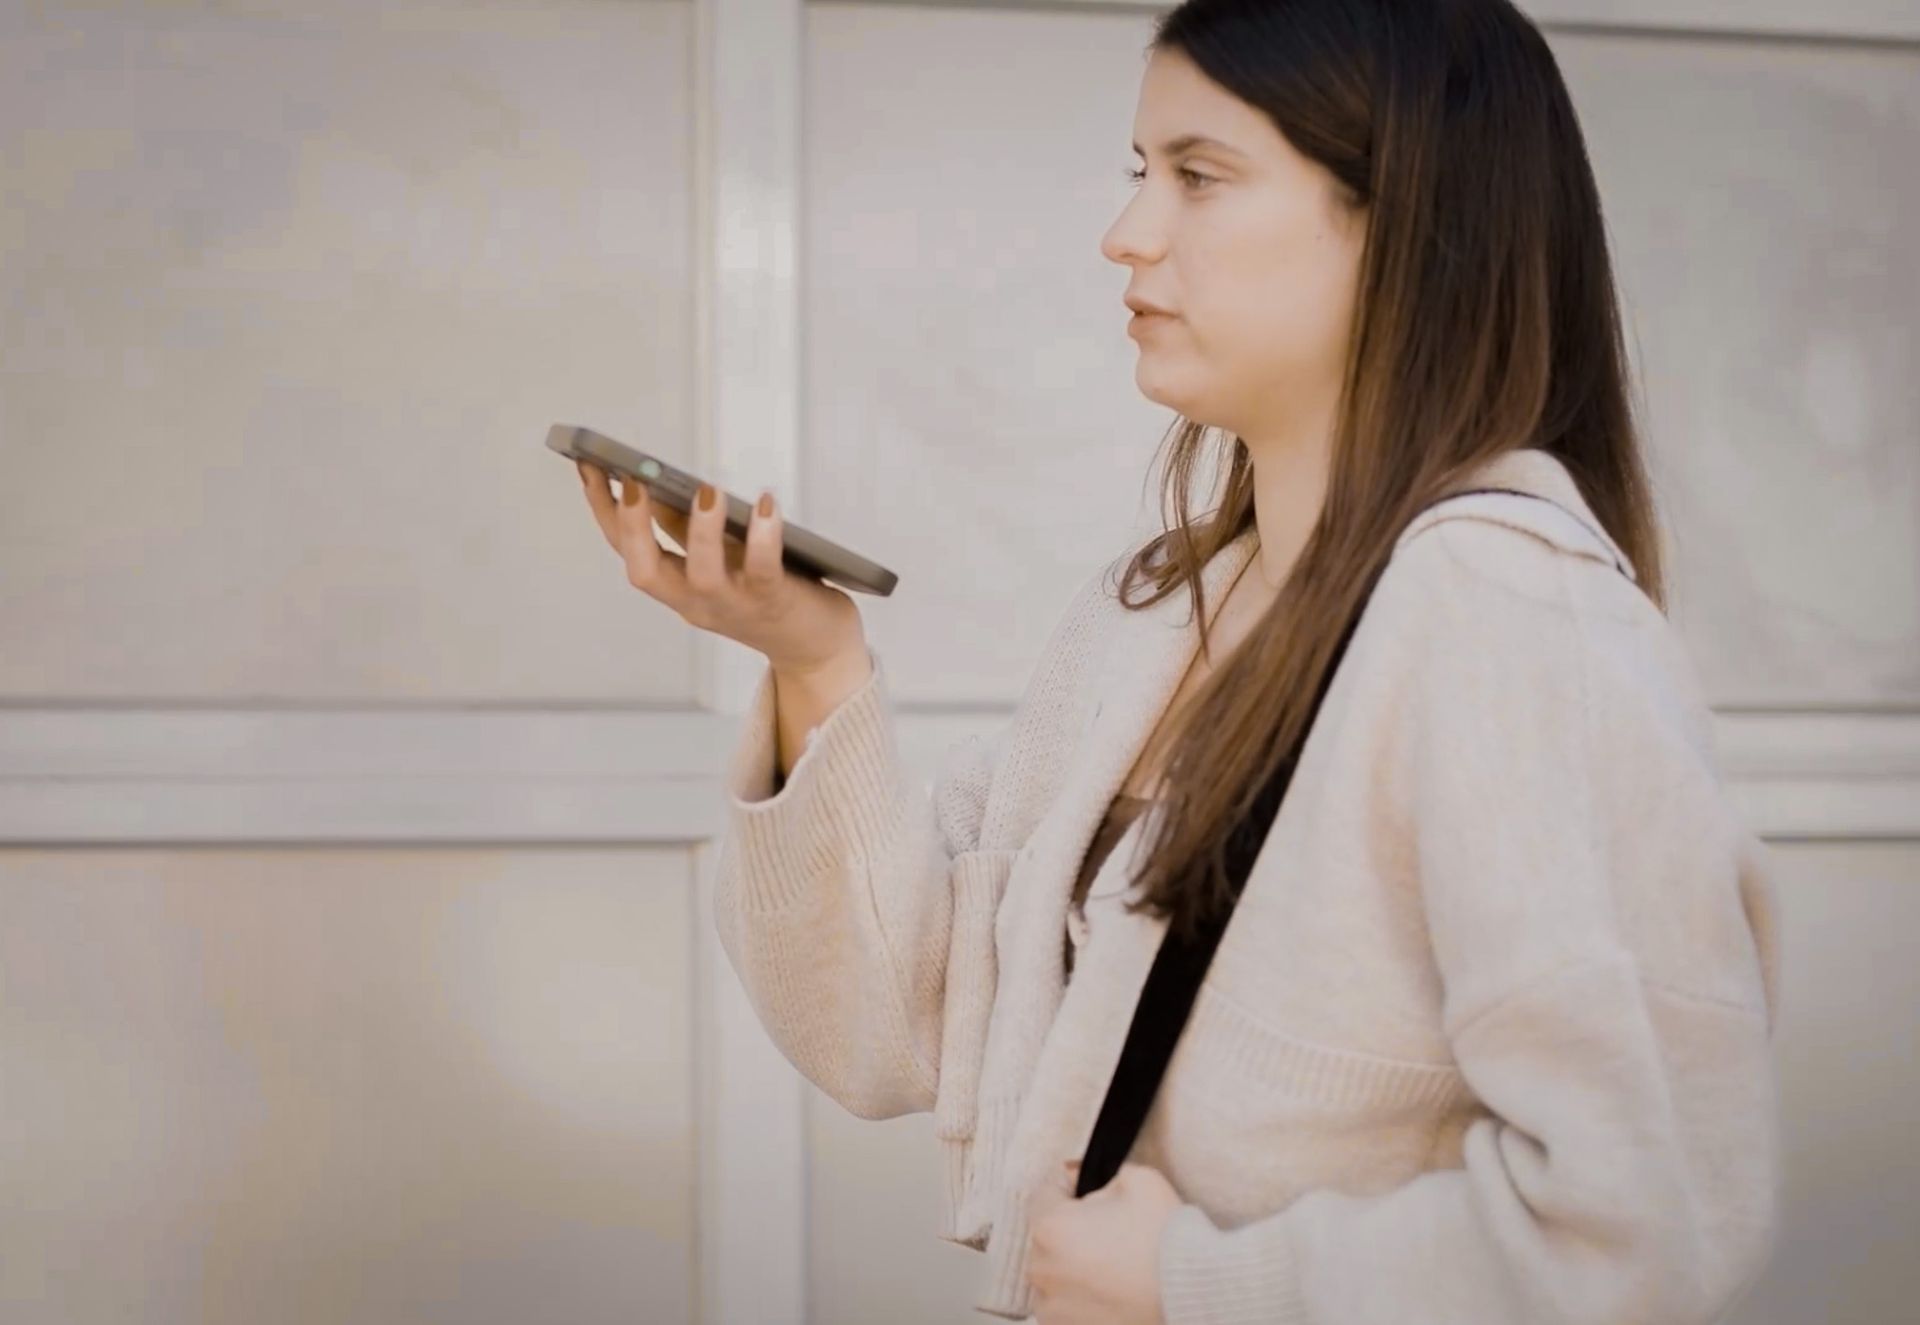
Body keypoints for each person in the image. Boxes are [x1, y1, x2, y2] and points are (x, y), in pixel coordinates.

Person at [574, 0, 1782, 1320]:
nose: (1128, 232)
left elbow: (1647, 1227)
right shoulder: (1153, 614)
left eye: (1200, 176)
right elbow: (897, 1023)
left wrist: (1196, 1284)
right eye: (1140, 171)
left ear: (1408, 221)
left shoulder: (1510, 618)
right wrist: (812, 658)